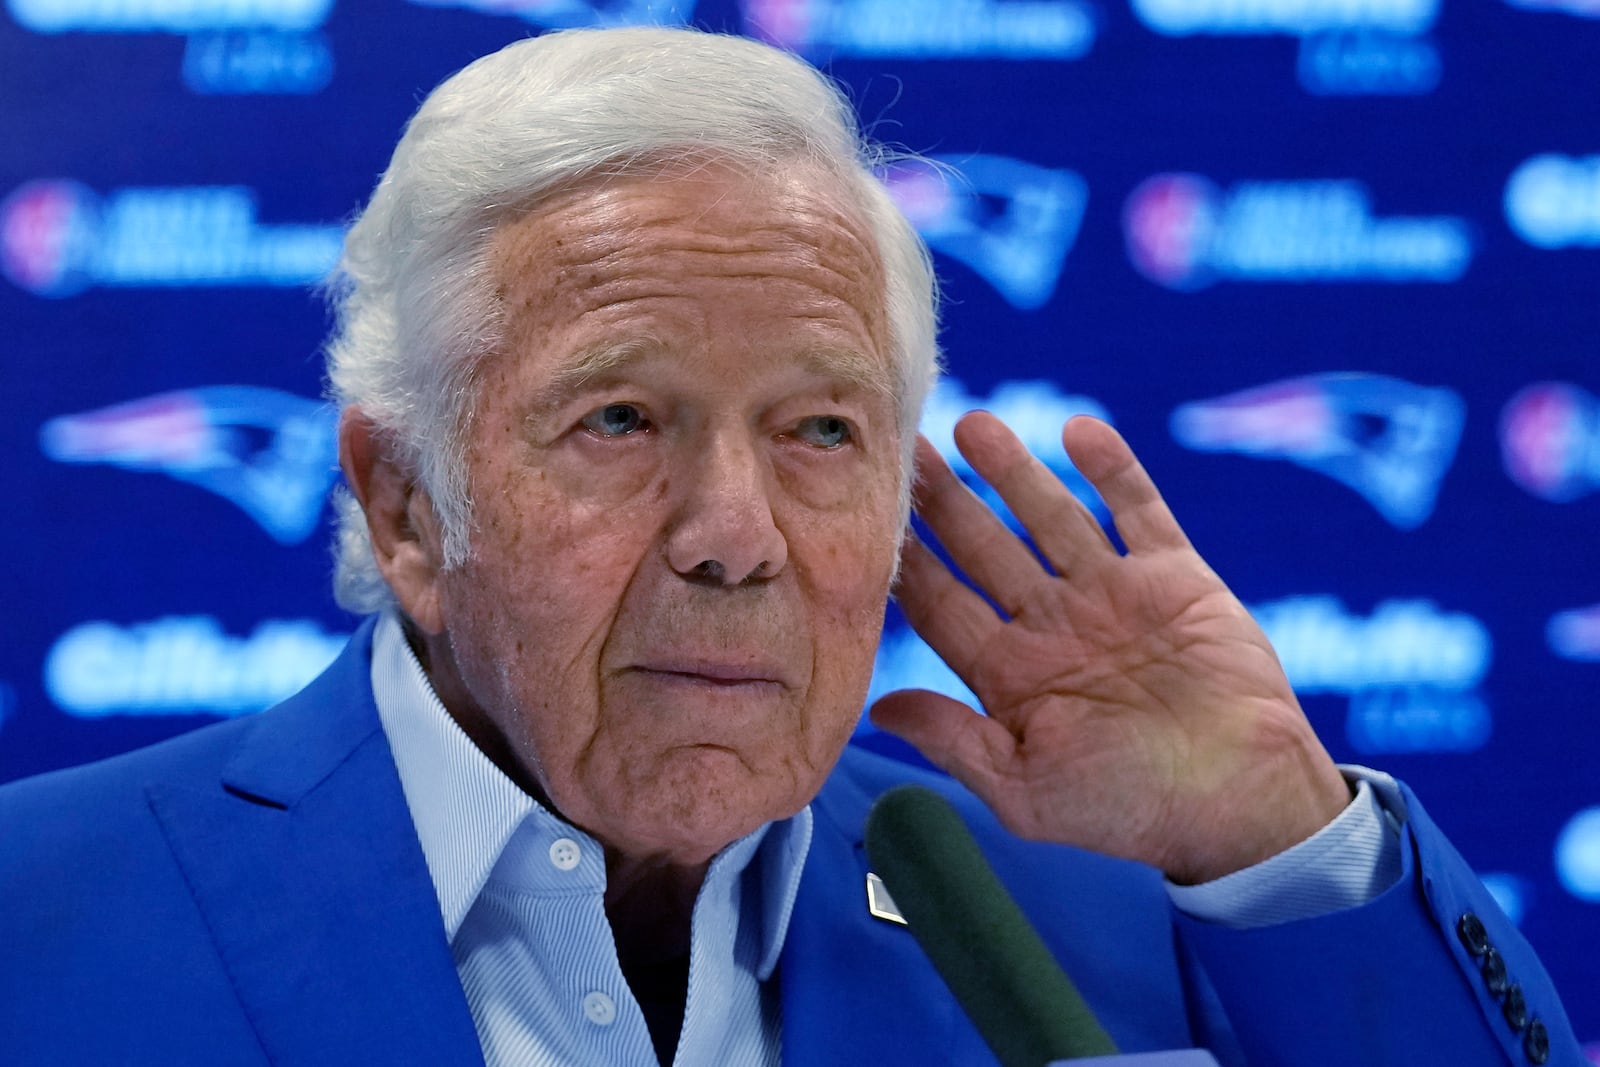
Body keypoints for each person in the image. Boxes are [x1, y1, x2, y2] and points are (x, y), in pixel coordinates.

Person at [0, 25, 1579, 1067]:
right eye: (620, 420)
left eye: (822, 432)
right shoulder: (43, 912)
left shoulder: (1114, 906)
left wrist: (1274, 842)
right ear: (411, 502)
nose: (735, 539)